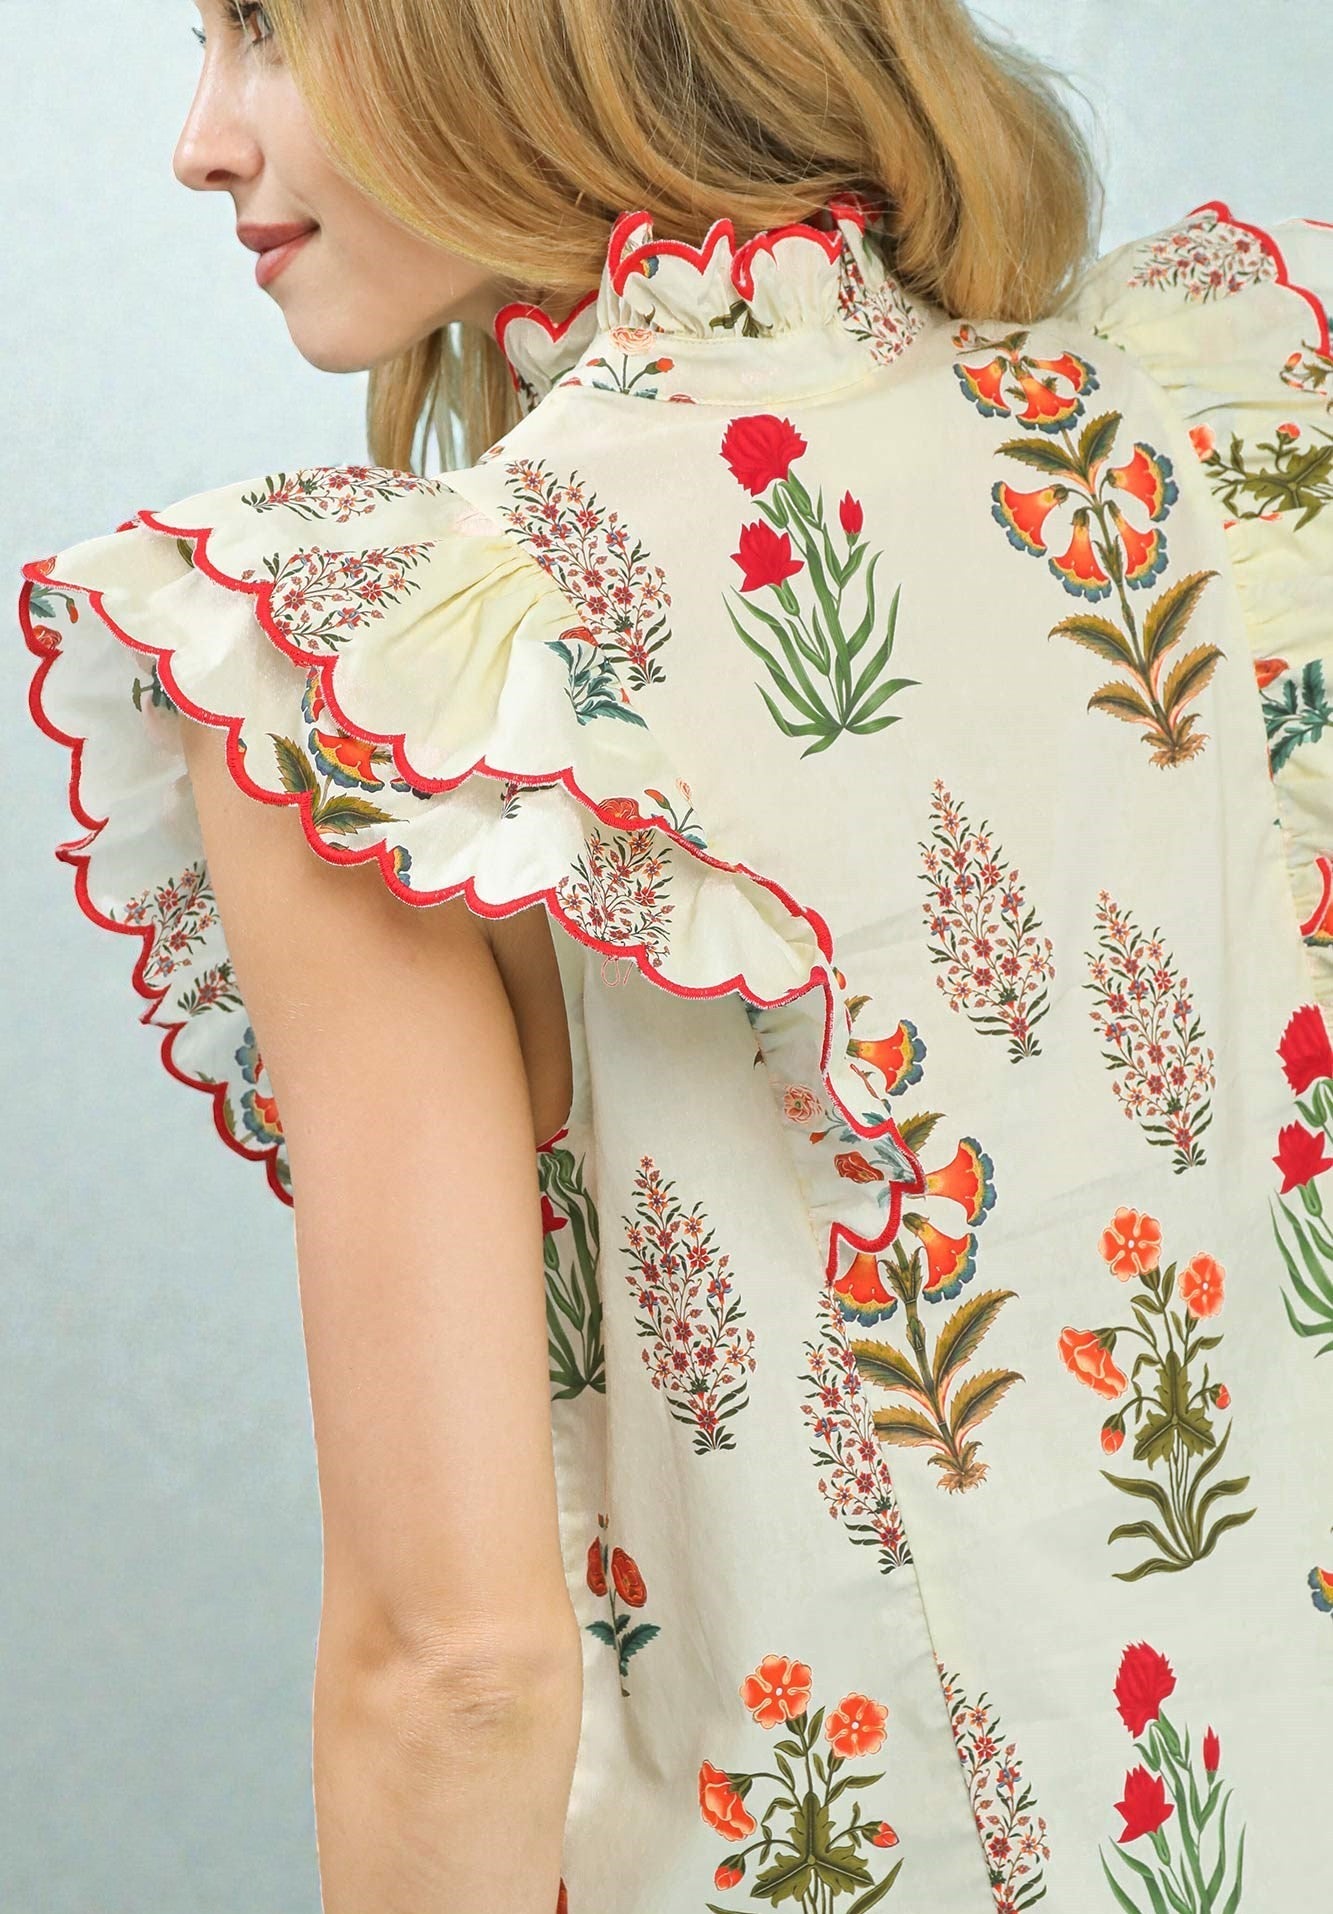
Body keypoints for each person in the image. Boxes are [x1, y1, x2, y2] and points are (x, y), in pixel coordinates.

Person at [18, 0, 1333, 1908]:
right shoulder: (1219, 455)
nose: (200, 142)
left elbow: (452, 1663)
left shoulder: (379, 669)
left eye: (270, 30)